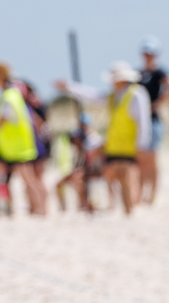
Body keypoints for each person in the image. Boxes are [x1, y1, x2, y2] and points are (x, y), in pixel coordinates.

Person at [57, 61, 151, 215]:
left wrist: (142, 145)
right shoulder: (114, 96)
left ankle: (130, 211)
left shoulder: (136, 94)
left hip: (129, 146)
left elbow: (143, 122)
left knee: (127, 180)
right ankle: (123, 210)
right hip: (114, 146)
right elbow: (92, 95)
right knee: (114, 178)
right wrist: (69, 87)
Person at [0, 62, 47, 216]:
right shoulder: (12, 94)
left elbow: (5, 118)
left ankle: (41, 209)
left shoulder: (9, 96)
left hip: (14, 147)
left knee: (28, 180)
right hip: (10, 146)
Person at [138, 36, 169, 205]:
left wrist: (158, 103)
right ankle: (141, 194)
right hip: (140, 122)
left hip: (153, 120)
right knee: (141, 160)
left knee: (152, 159)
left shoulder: (159, 72)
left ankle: (152, 196)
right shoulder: (139, 74)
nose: (148, 56)